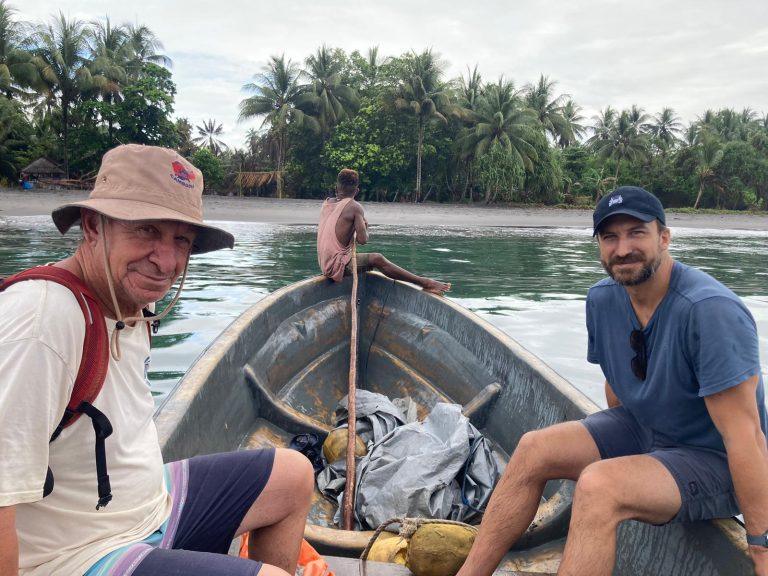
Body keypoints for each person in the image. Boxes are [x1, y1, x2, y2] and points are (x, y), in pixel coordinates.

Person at [0, 145, 314, 576]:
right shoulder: (42, 322)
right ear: (93, 226)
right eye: (146, 230)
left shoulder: (128, 299)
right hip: (76, 553)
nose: (166, 261)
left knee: (294, 474)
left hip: (145, 507)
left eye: (180, 239)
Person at [456, 186, 768, 576]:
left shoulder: (710, 312)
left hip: (714, 459)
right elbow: (618, 388)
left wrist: (761, 546)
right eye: (610, 237)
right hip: (646, 431)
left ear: (664, 237)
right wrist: (631, 461)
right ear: (600, 246)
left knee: (599, 487)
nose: (623, 249)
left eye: (637, 232)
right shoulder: (603, 299)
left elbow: (746, 437)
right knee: (534, 448)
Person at [317, 168, 451, 295]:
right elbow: (362, 240)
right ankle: (425, 282)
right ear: (356, 191)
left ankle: (425, 282)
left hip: (324, 264)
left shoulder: (327, 203)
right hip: (337, 266)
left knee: (373, 259)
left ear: (336, 188)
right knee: (377, 259)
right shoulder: (355, 207)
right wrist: (365, 227)